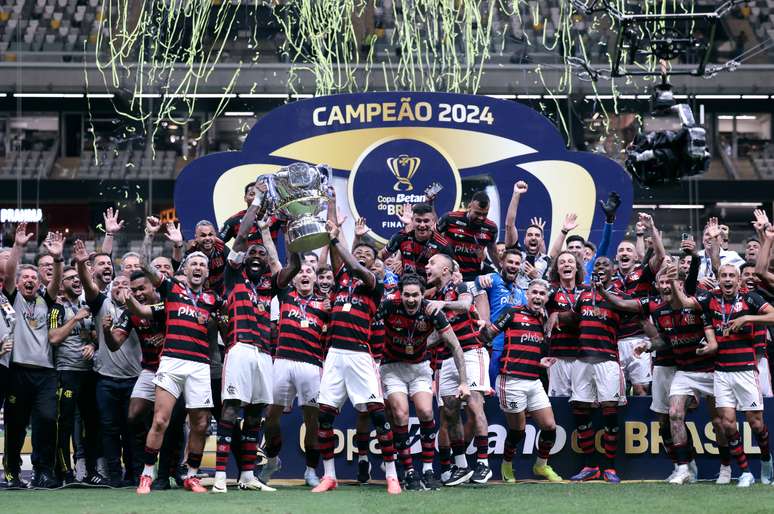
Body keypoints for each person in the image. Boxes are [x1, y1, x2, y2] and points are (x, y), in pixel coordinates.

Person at [311, 188, 400, 495]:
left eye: (367, 254)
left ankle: (391, 475)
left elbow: (351, 261)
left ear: (374, 264)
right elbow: (338, 250)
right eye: (358, 251)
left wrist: (337, 239)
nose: (361, 255)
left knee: (377, 413)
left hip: (361, 355)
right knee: (324, 415)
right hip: (334, 354)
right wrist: (332, 204)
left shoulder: (373, 285)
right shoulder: (340, 281)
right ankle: (330, 475)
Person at [673, 264, 774, 487]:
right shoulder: (711, 298)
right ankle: (745, 472)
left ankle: (767, 460)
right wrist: (673, 282)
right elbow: (685, 302)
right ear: (718, 279)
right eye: (723, 276)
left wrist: (748, 319)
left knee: (756, 424)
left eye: (732, 276)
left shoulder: (751, 299)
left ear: (739, 280)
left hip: (746, 370)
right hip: (721, 372)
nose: (727, 279)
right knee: (728, 425)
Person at [213, 208, 289, 494]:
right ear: (243, 258)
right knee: (231, 410)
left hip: (264, 354)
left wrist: (271, 239)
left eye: (261, 254)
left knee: (256, 414)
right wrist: (256, 205)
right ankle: (220, 475)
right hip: (240, 349)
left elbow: (284, 267)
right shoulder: (233, 277)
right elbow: (242, 235)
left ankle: (247, 475)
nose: (256, 256)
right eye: (251, 253)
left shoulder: (269, 287)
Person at [135, 251, 222, 495]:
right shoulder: (171, 289)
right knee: (160, 420)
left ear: (206, 272)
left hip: (200, 365)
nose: (198, 267)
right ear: (185, 269)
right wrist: (150, 237)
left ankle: (192, 476)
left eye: (202, 264)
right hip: (172, 361)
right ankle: (147, 474)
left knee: (200, 424)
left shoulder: (212, 299)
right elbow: (144, 265)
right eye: (193, 263)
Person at [379, 273, 469, 490]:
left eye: (416, 295)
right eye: (407, 295)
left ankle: (428, 469)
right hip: (392, 367)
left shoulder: (432, 311)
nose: (411, 300)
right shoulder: (388, 307)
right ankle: (409, 471)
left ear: (422, 295)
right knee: (400, 413)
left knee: (426, 413)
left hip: (420, 368)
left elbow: (455, 346)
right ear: (401, 294)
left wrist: (464, 382)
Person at [75, 242, 142, 487]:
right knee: (109, 430)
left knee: (132, 431)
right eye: (117, 284)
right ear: (111, 287)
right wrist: (83, 263)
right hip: (105, 379)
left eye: (126, 285)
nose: (120, 288)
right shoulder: (102, 304)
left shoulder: (140, 310)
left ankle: (135, 475)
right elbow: (88, 286)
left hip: (134, 379)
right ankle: (114, 476)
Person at [481, 279, 562, 482]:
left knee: (550, 427)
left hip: (534, 380)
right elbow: (488, 336)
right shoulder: (511, 312)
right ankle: (507, 465)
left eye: (542, 294)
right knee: (519, 430)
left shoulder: (543, 320)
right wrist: (481, 328)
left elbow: (536, 347)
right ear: (527, 294)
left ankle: (541, 466)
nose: (537, 297)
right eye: (534, 292)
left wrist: (541, 360)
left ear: (546, 298)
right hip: (511, 380)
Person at [2, 225, 64, 488]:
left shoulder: (45, 301)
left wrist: (58, 258)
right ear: (17, 283)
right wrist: (18, 246)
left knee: (47, 421)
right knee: (15, 425)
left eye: (33, 278)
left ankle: (43, 470)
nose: (28, 280)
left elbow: (57, 282)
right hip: (18, 371)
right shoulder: (12, 299)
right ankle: (12, 471)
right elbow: (9, 273)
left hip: (46, 374)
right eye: (24, 277)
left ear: (39, 282)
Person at [261, 261, 329, 488]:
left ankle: (310, 470)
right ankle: (272, 461)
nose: (305, 274)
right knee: (271, 415)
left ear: (316, 278)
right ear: (294, 278)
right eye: (300, 272)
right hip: (282, 361)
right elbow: (276, 263)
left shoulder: (324, 305)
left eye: (310, 271)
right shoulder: (284, 295)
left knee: (312, 420)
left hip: (311, 365)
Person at [426, 253, 492, 485]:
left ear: (446, 270)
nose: (427, 266)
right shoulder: (432, 298)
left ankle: (483, 465)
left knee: (474, 407)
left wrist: (443, 304)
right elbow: (435, 337)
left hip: (472, 352)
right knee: (451, 412)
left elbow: (465, 305)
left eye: (432, 263)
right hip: (446, 360)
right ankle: (462, 467)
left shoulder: (460, 287)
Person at [104, 271, 166, 484]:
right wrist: (106, 331)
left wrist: (166, 337)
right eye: (135, 290)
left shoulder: (167, 304)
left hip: (173, 369)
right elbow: (114, 344)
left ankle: (170, 470)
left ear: (153, 288)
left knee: (172, 422)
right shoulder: (130, 312)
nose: (139, 293)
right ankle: (147, 463)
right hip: (149, 369)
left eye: (142, 288)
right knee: (134, 415)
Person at [48, 266, 103, 485]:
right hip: (66, 372)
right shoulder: (57, 309)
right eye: (70, 278)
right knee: (65, 424)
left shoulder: (86, 305)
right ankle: (64, 471)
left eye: (78, 278)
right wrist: (76, 318)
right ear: (61, 285)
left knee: (91, 424)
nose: (76, 281)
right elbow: (53, 338)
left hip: (89, 373)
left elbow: (94, 335)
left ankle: (89, 472)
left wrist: (93, 343)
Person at [612, 213, 666, 396]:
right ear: (616, 257)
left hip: (639, 338)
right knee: (614, 390)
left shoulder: (643, 275)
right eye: (621, 250)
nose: (624, 253)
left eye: (628, 250)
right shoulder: (609, 282)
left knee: (641, 389)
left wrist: (651, 228)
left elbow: (660, 256)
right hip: (615, 341)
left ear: (636, 256)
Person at [474, 249, 527, 386]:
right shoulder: (494, 280)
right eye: (510, 262)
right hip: (494, 345)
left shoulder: (520, 291)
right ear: (502, 263)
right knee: (492, 388)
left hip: (514, 348)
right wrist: (479, 279)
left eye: (517, 263)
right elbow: (477, 284)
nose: (513, 265)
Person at [545, 251, 585, 396]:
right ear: (556, 269)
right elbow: (535, 303)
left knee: (583, 402)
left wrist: (558, 315)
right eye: (562, 262)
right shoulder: (550, 290)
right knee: (560, 404)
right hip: (558, 356)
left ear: (577, 268)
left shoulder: (587, 291)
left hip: (583, 357)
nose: (566, 264)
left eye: (570, 261)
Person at [437, 191, 500, 281]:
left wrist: (501, 269)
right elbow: (434, 237)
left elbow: (493, 251)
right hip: (449, 275)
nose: (481, 218)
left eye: (484, 214)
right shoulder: (450, 218)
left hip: (474, 277)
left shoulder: (491, 228)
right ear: (469, 206)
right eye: (477, 213)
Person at [381, 203, 452, 277]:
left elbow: (448, 275)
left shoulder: (443, 246)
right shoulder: (401, 236)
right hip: (404, 285)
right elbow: (381, 255)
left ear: (433, 221)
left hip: (430, 287)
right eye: (418, 221)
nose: (422, 225)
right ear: (412, 221)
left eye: (426, 221)